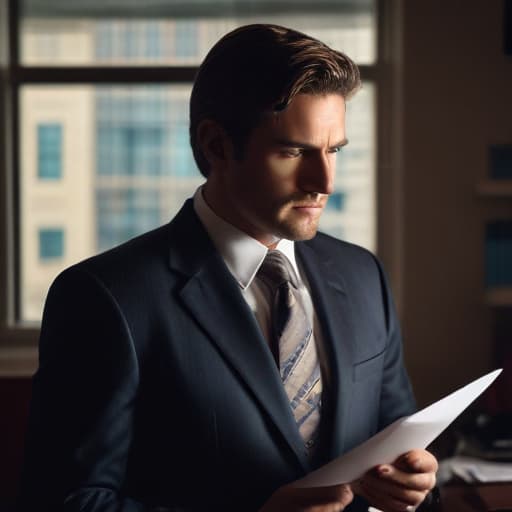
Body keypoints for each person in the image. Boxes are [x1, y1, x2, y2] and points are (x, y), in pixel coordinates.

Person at [18, 24, 438, 512]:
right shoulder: (103, 297)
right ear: (216, 145)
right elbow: (65, 502)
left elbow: (401, 449)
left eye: (333, 151)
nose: (323, 181)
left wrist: (413, 485)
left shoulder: (364, 276)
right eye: (293, 151)